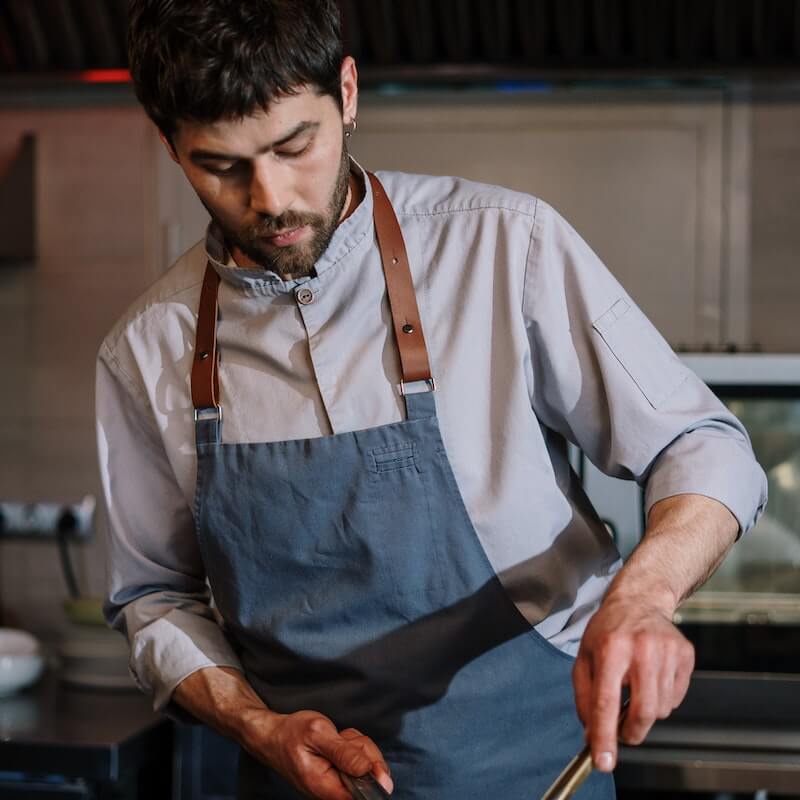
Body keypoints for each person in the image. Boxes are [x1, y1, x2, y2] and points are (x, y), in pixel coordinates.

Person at [96, 2, 767, 799]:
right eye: (221, 165)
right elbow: (154, 598)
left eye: (295, 145)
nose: (270, 199)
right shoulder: (147, 349)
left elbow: (701, 445)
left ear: (347, 92)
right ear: (169, 143)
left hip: (539, 775)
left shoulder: (503, 245)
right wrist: (256, 726)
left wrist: (645, 598)